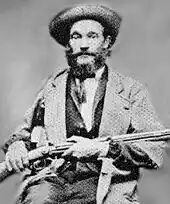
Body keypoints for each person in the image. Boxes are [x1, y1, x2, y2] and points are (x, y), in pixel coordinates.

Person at [2, 4, 165, 204]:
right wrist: (17, 146)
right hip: (52, 181)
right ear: (69, 44)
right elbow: (25, 132)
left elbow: (153, 150)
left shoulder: (131, 90)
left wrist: (103, 149)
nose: (84, 45)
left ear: (107, 42)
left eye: (92, 36)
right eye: (76, 37)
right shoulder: (51, 88)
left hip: (106, 181)